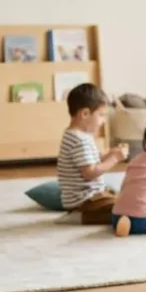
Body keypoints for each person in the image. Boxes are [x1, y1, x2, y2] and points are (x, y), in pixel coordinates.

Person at [58, 83, 129, 224]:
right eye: (101, 115)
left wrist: (108, 154)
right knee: (122, 208)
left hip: (92, 196)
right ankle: (80, 217)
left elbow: (93, 160)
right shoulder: (78, 140)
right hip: (84, 200)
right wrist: (114, 159)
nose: (103, 121)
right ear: (85, 114)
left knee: (123, 197)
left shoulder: (80, 135)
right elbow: (90, 172)